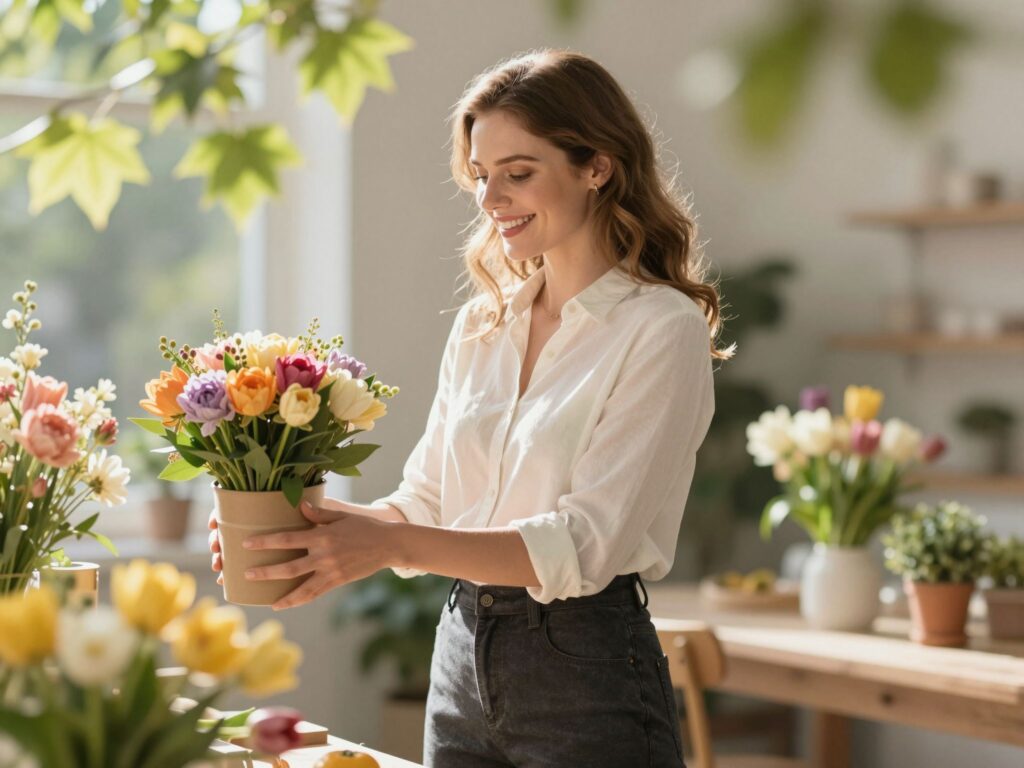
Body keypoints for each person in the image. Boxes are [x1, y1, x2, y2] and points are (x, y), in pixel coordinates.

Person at [210, 48, 732, 767]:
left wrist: (389, 544)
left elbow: (582, 546)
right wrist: (312, 536)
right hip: (460, 654)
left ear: (597, 167)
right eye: (482, 177)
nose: (491, 201)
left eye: (519, 174)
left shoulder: (659, 328)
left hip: (588, 670)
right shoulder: (483, 325)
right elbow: (427, 500)